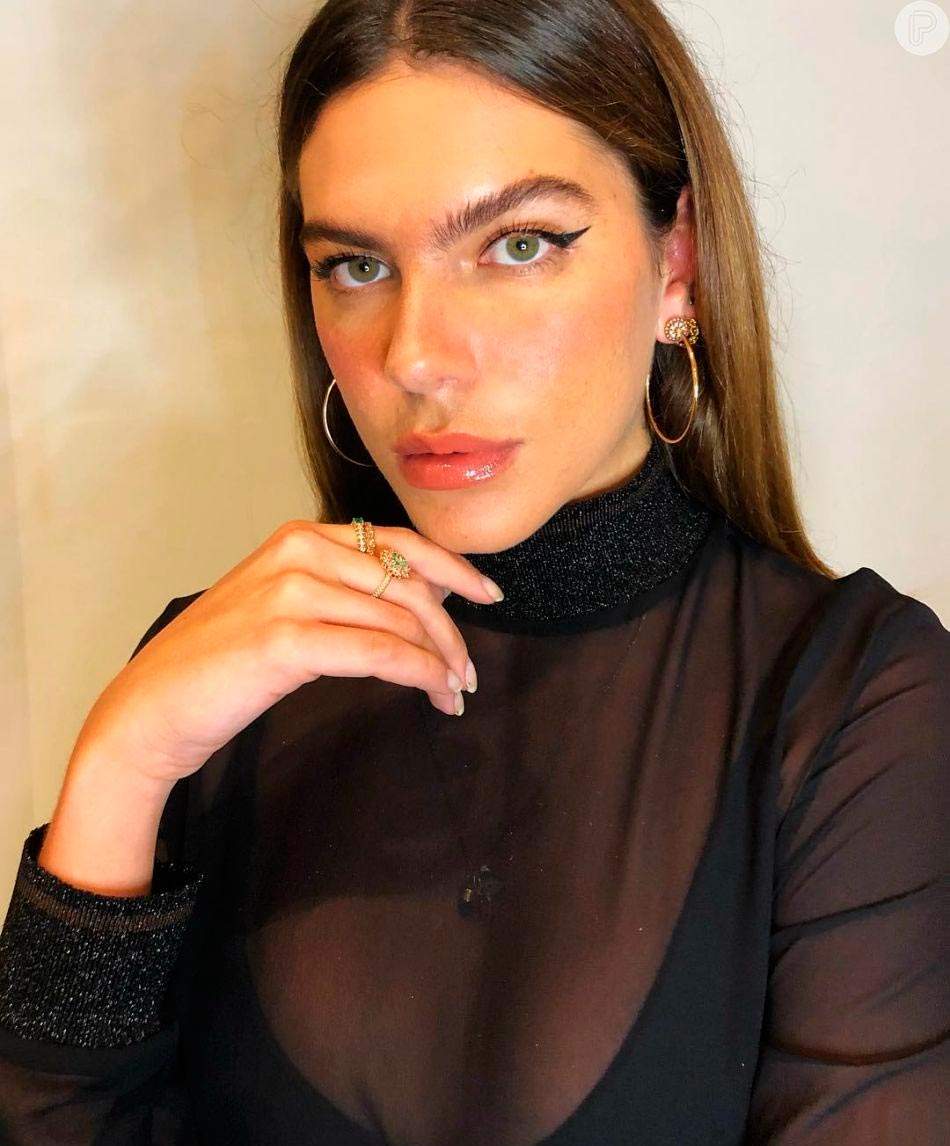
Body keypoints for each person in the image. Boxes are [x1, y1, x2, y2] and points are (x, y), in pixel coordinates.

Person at [1, 0, 948, 1141]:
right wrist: (119, 770)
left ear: (679, 264)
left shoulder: (855, 702)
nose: (414, 356)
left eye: (518, 244)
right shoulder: (209, 690)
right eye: (355, 265)